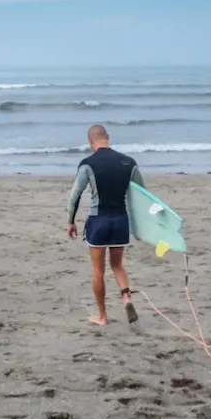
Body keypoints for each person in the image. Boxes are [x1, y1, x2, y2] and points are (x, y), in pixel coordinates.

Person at [66, 124, 144, 327]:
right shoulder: (129, 162)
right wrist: (140, 224)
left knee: (97, 271)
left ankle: (102, 316)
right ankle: (126, 297)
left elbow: (74, 195)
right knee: (117, 265)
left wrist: (70, 222)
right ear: (107, 138)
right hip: (120, 220)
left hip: (98, 221)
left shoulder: (87, 164)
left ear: (90, 141)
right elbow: (142, 193)